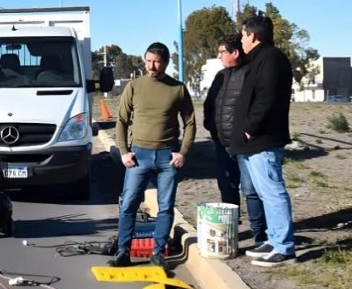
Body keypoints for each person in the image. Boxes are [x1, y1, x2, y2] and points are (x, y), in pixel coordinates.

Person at [109, 42, 196, 269]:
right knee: (128, 204)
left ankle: (158, 251)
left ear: (165, 63)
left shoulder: (177, 88)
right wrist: (124, 152)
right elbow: (121, 121)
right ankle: (123, 251)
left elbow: (190, 122)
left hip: (168, 157)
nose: (151, 66)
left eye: (156, 62)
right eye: (148, 61)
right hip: (139, 155)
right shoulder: (134, 87)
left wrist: (183, 152)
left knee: (166, 206)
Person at [229, 14, 296, 267]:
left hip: (263, 139)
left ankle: (284, 248)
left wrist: (249, 128)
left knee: (273, 191)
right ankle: (274, 239)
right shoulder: (259, 59)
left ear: (253, 35)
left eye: (244, 34)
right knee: (264, 193)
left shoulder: (271, 59)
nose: (242, 39)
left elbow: (266, 98)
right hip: (254, 140)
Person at [203, 34, 268, 249]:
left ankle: (261, 236)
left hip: (245, 145)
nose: (219, 56)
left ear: (235, 52)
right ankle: (232, 230)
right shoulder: (220, 76)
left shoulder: (250, 74)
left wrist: (247, 132)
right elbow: (210, 103)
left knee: (251, 190)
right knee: (226, 186)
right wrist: (210, 126)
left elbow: (258, 105)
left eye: (222, 52)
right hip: (222, 143)